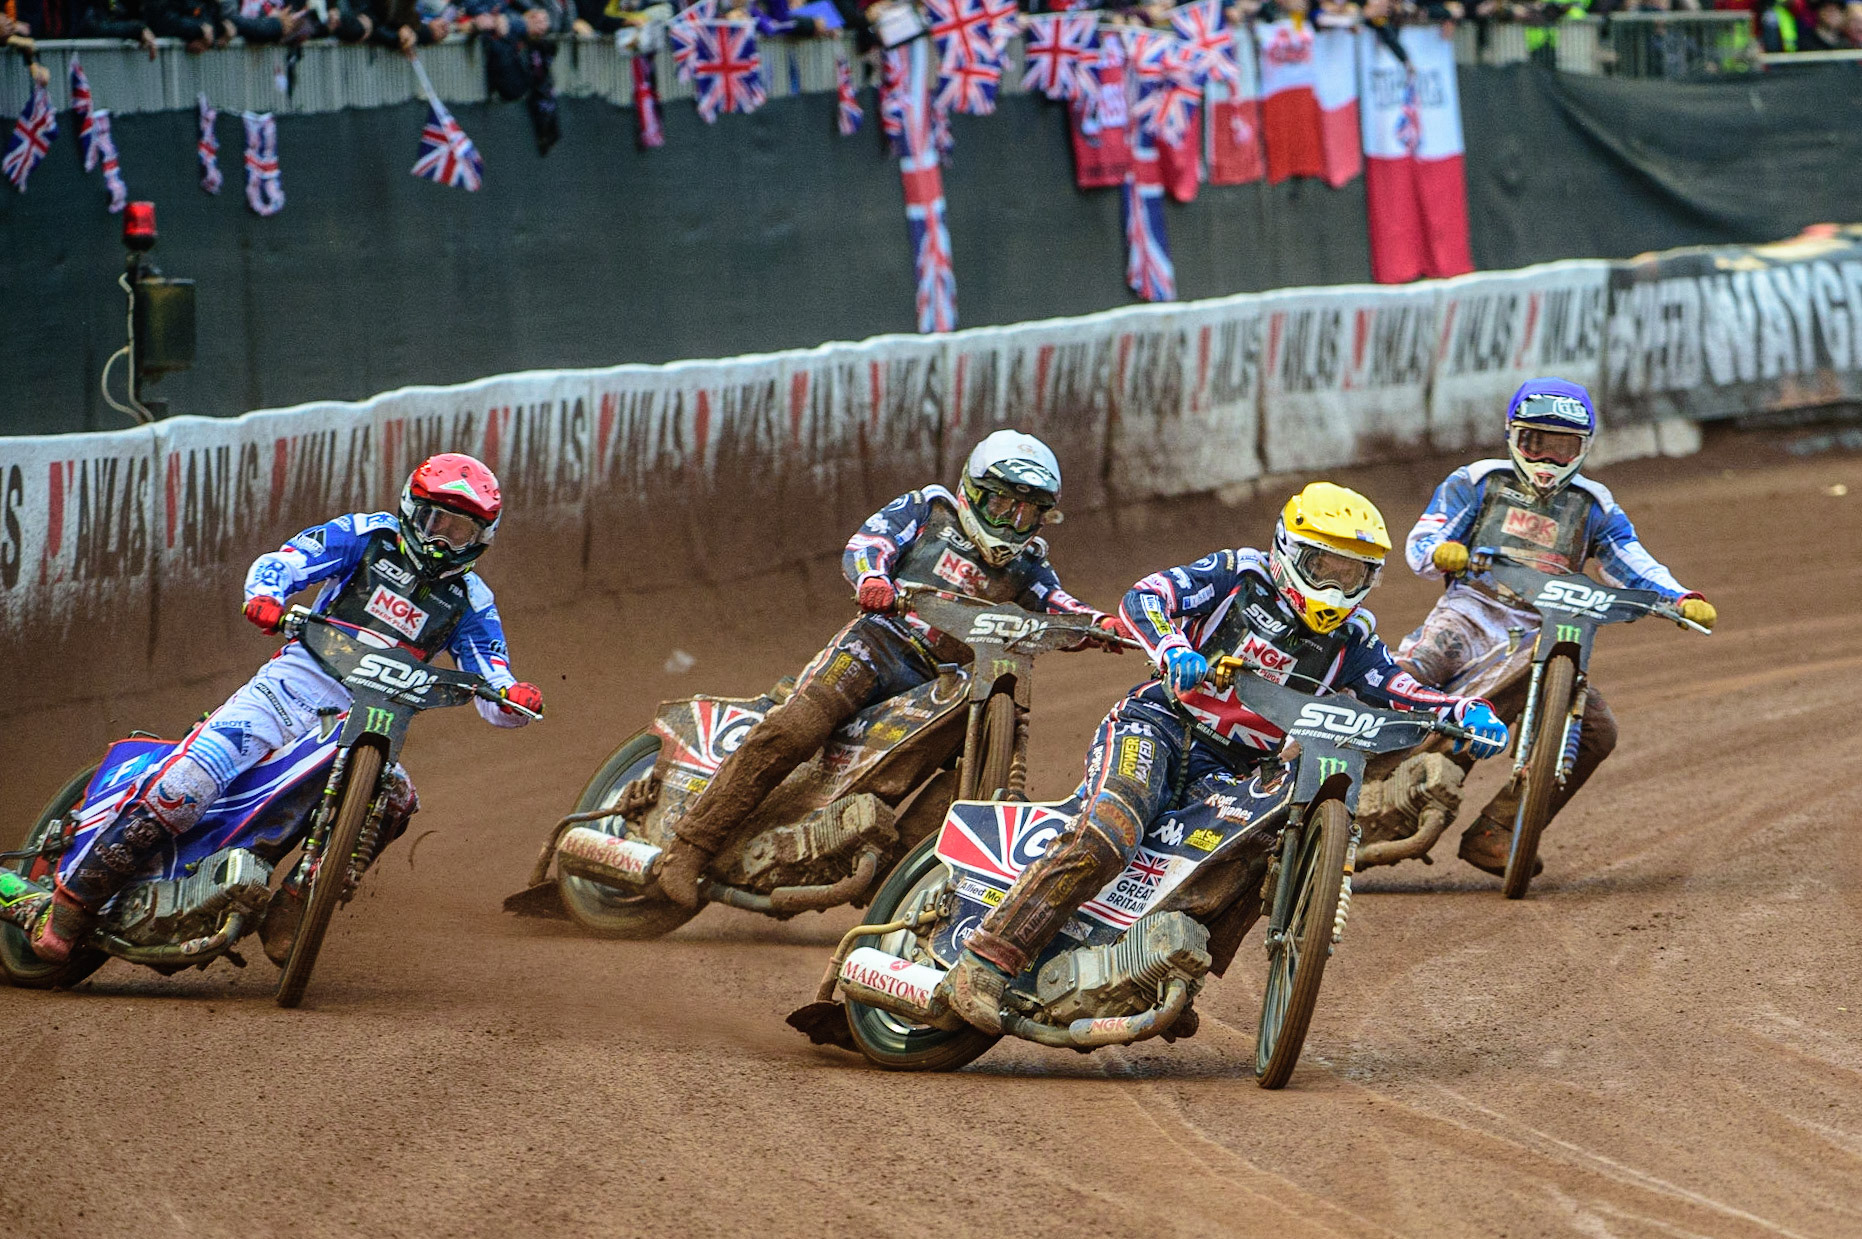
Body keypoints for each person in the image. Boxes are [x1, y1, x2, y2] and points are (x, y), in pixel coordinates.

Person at [939, 482, 1510, 1032]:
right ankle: (987, 960)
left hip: (1233, 768)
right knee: (1111, 831)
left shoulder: (1353, 639)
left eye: (1352, 574)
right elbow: (1146, 596)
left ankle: (1168, 975)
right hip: (1159, 725)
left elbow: (1399, 688)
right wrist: (1172, 645)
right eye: (1323, 569)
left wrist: (1463, 711)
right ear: (1288, 551)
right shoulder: (1239, 575)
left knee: (1259, 854)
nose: (1335, 589)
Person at [24, 453, 545, 966]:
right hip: (285, 692)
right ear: (412, 509)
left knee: (397, 798)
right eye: (435, 521)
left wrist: (515, 698)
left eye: (459, 531)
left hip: (360, 719)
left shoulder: (471, 601)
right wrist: (266, 595)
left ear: (481, 539)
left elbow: (492, 685)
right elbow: (285, 562)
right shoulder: (368, 535)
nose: (440, 539)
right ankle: (71, 906)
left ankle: (299, 902)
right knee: (186, 788)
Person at [653, 430, 1123, 909]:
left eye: (1026, 513)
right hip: (878, 646)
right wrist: (873, 578)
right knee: (798, 728)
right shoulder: (929, 511)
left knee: (967, 770)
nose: (1011, 522)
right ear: (972, 493)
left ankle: (891, 883)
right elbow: (870, 542)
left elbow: (1058, 606)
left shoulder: (1030, 566)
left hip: (947, 682)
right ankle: (691, 844)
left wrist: (1102, 625)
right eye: (1001, 505)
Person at [1395, 378, 1715, 876]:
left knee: (1596, 732)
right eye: (1535, 444)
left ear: (1582, 449)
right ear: (1514, 437)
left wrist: (1678, 596)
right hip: (1471, 613)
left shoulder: (1594, 505)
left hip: (1545, 629)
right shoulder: (1480, 481)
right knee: (1400, 677)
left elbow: (1630, 560)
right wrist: (1439, 551)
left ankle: (1499, 832)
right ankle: (1319, 793)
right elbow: (1426, 533)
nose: (1545, 461)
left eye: (1561, 448)